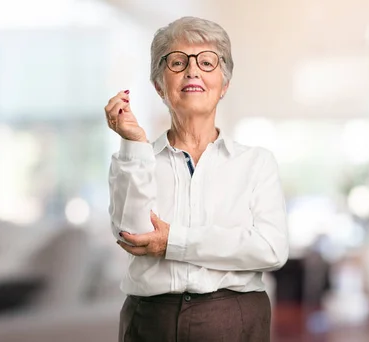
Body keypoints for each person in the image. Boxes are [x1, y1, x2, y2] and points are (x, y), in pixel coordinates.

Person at [104, 16, 289, 342]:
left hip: (234, 318)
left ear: (225, 84)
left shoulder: (256, 163)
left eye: (207, 61)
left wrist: (172, 242)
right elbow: (133, 236)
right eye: (177, 62)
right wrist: (133, 143)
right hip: (150, 321)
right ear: (159, 85)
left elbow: (270, 249)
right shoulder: (135, 158)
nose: (192, 71)